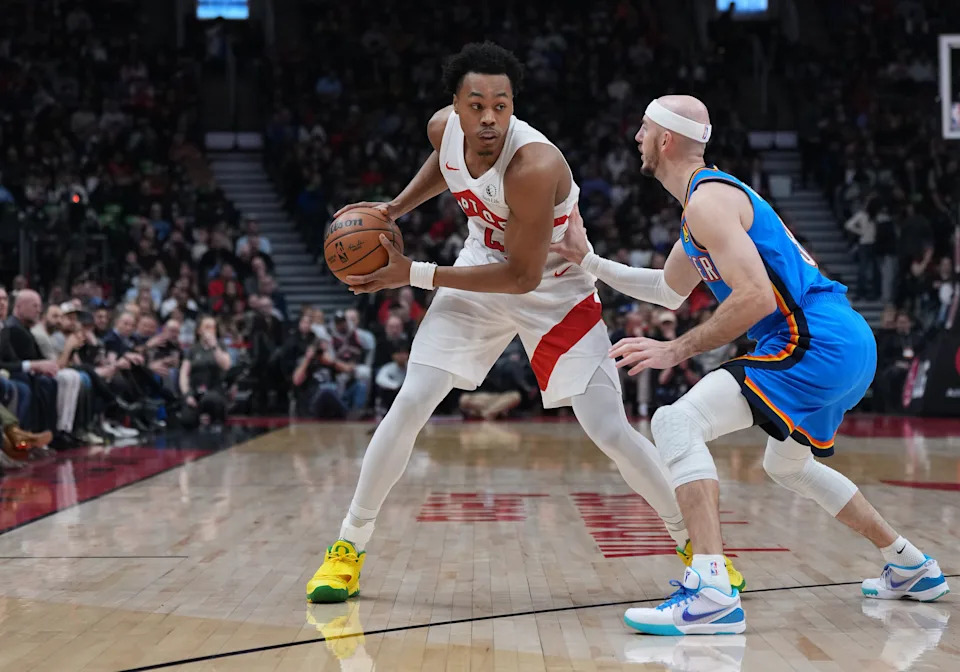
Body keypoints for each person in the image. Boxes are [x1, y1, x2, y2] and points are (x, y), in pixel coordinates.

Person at [304, 43, 740, 604]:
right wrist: (394, 208)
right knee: (411, 401)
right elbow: (446, 163)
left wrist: (409, 273)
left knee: (610, 430)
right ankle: (348, 548)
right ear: (456, 106)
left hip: (550, 286)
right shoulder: (444, 130)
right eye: (477, 104)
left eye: (502, 105)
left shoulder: (535, 165)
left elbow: (522, 277)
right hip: (481, 267)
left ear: (513, 107)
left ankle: (699, 552)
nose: (489, 117)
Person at [551, 95, 948, 636]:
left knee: (674, 422)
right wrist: (588, 261)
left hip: (814, 339)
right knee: (786, 466)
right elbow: (668, 291)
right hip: (846, 341)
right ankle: (910, 565)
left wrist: (674, 350)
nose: (635, 139)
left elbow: (757, 296)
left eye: (643, 129)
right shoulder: (704, 203)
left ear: (665, 140)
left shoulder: (707, 204)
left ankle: (711, 588)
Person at [179, 316, 232, 428]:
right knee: (187, 420)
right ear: (199, 330)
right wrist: (187, 394)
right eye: (207, 327)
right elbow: (184, 375)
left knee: (210, 399)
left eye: (213, 328)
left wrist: (214, 346)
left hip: (215, 391)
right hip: (195, 391)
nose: (210, 330)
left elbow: (226, 365)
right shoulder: (193, 349)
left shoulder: (220, 346)